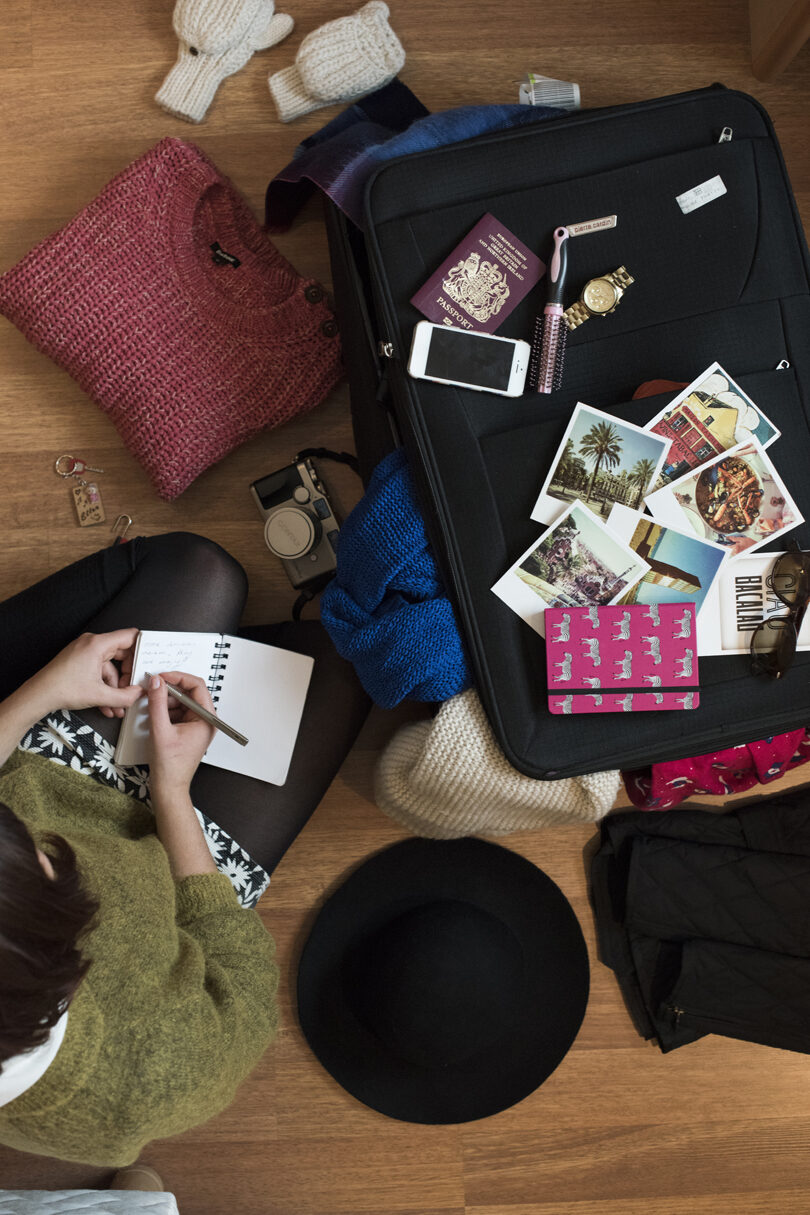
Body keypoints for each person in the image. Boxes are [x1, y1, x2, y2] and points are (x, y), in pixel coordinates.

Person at [0, 531, 369, 1166]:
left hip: (52, 769)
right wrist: (172, 793)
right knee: (351, 657)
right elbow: (239, 970)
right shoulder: (150, 1079)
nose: (42, 844)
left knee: (206, 570)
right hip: (187, 886)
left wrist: (43, 690)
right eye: (39, 857)